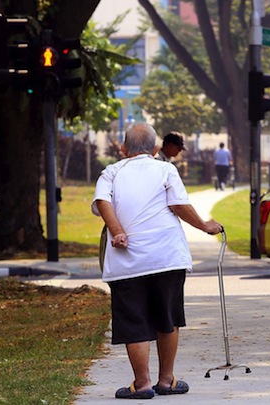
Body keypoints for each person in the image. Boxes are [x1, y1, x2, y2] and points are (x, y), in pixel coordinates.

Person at [91, 122, 223, 400]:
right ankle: (166, 381)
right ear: (154, 149)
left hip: (127, 263)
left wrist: (118, 233)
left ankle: (142, 385)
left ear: (123, 149)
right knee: (168, 317)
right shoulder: (166, 169)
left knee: (133, 320)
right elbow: (178, 204)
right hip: (167, 258)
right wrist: (204, 226)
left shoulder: (111, 172)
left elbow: (103, 202)